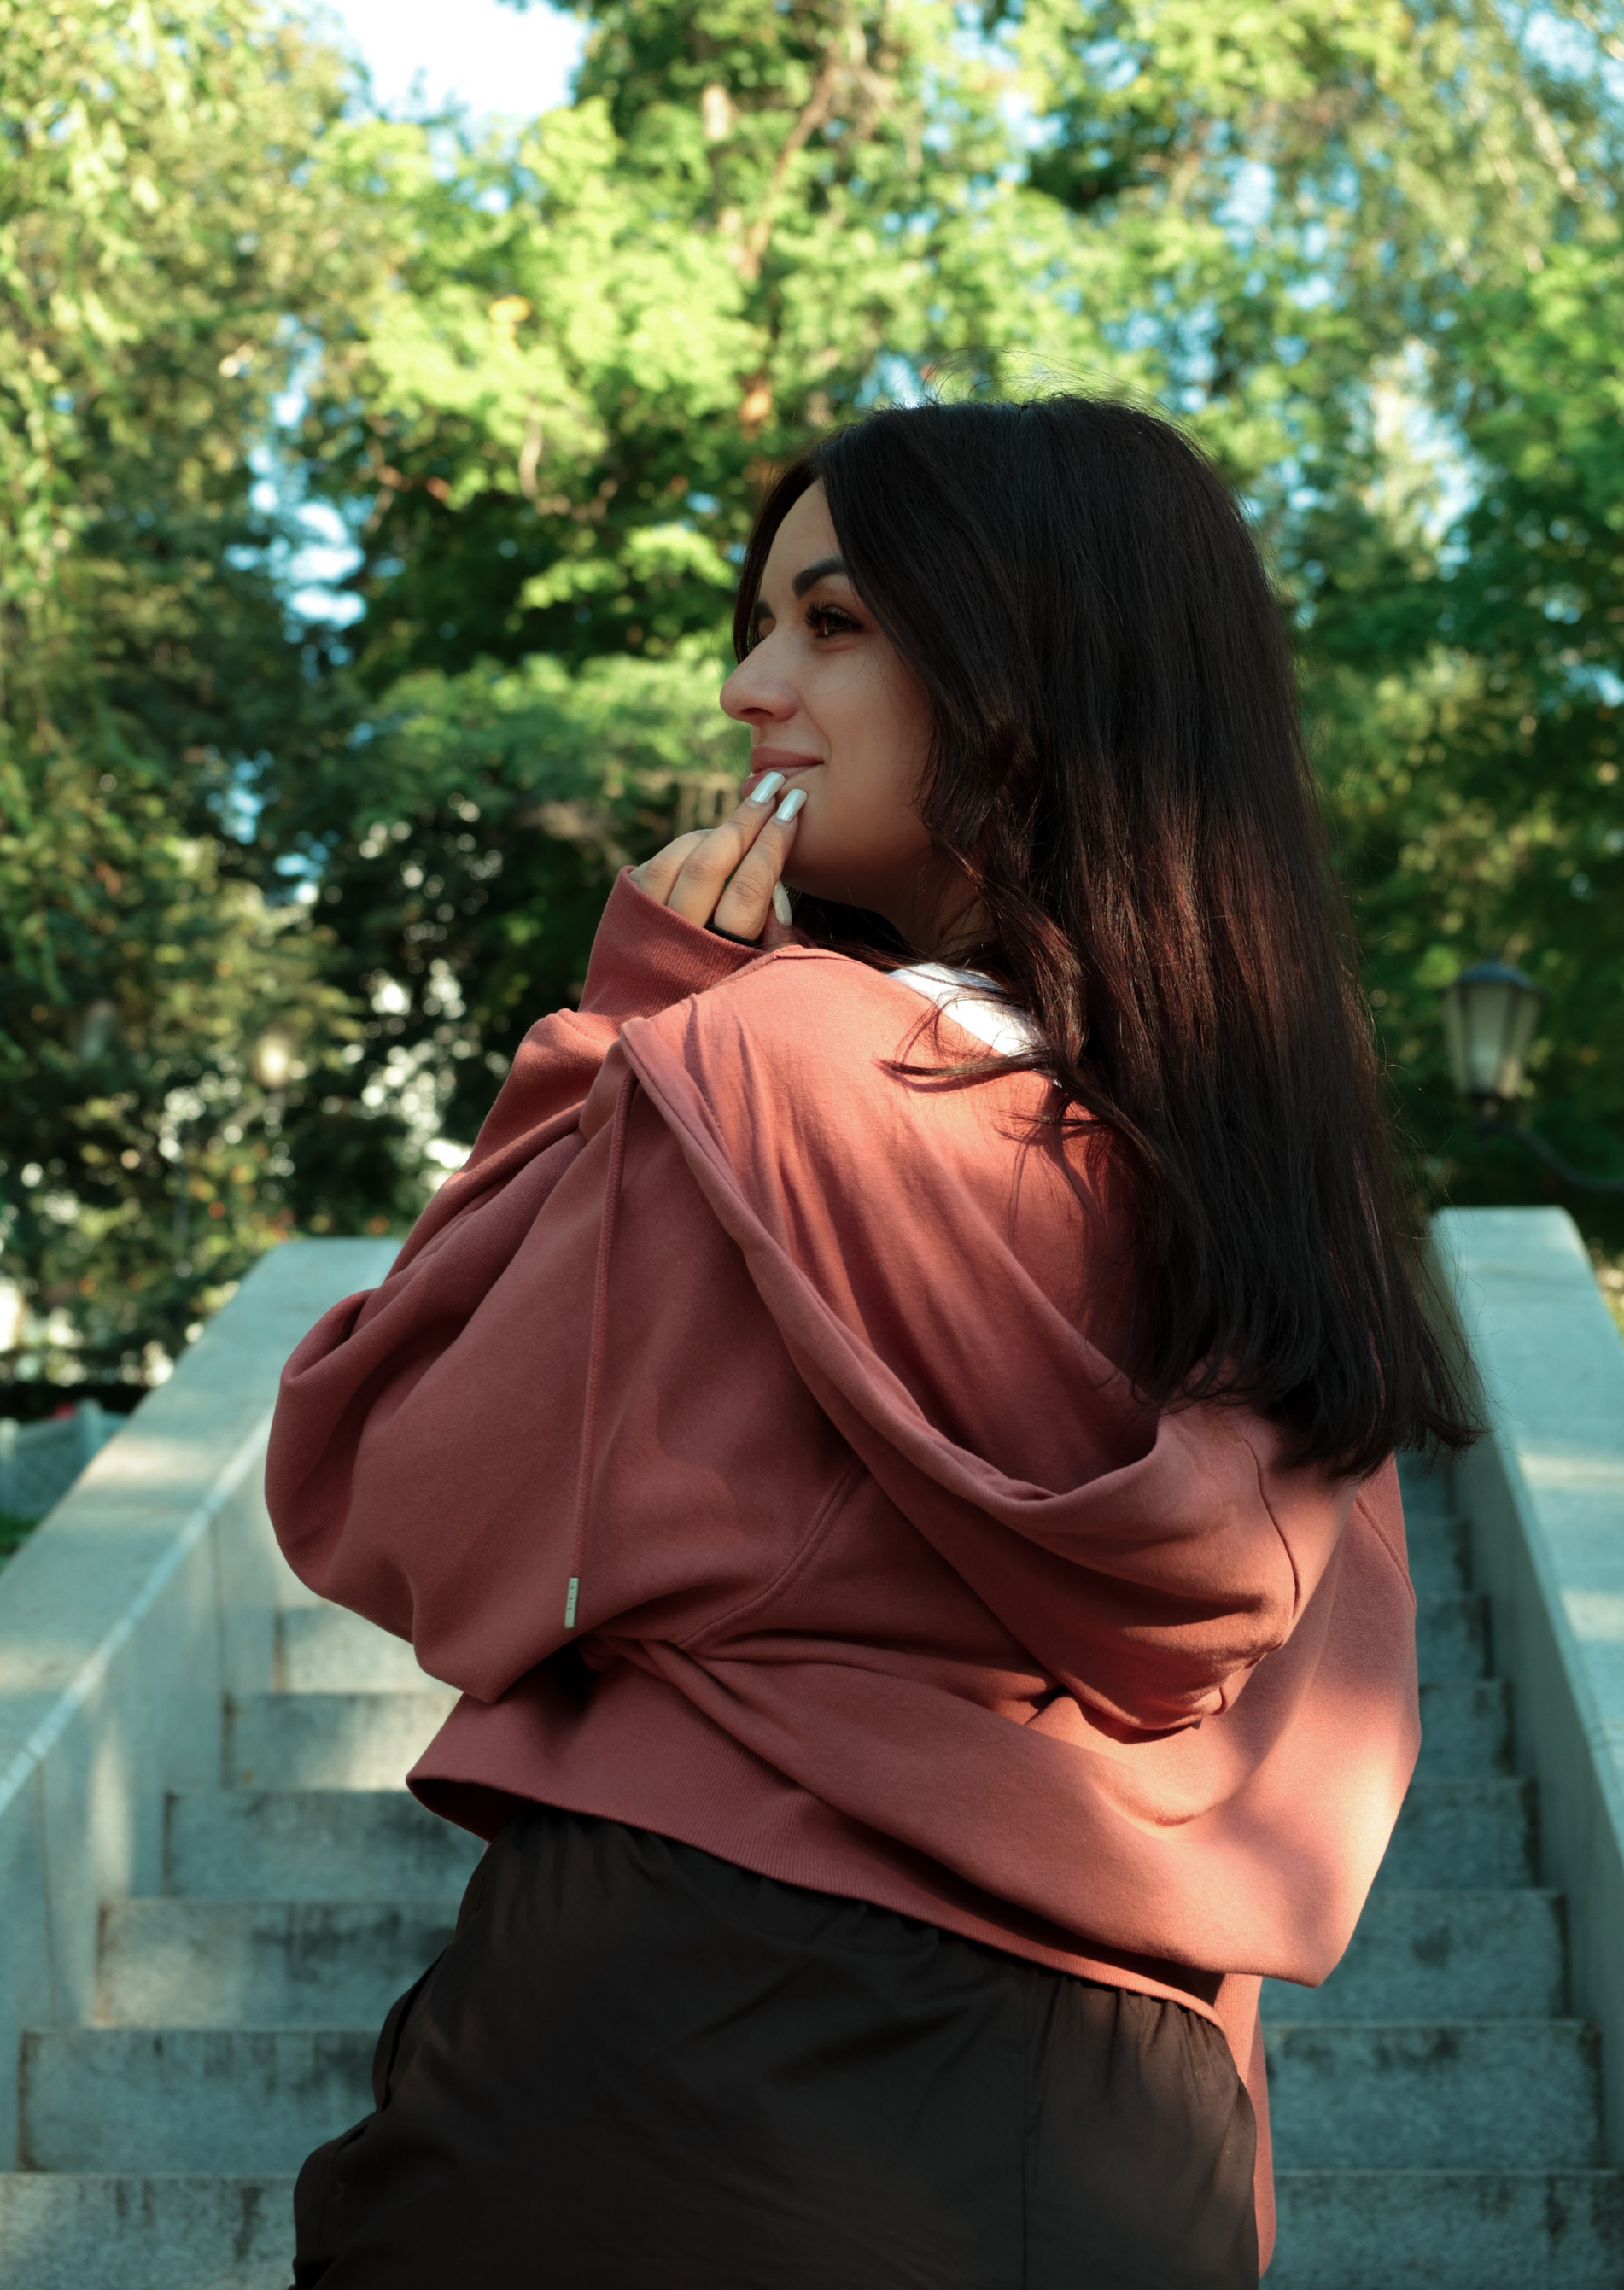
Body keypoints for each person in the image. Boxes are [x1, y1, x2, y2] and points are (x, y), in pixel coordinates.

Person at [267, 393, 1472, 2288]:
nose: (750, 686)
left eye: (830, 624)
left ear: (1030, 669)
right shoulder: (1280, 1226)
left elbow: (382, 1471)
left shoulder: (764, 1061)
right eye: (762, 625)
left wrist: (627, 1021)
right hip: (1125, 2131)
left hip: (673, 2048)